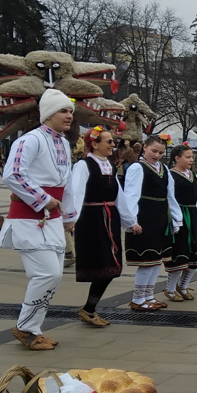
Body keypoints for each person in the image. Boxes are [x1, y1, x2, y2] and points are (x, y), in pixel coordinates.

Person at [0, 90, 76, 350]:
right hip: (28, 218)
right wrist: (43, 199)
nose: (69, 115)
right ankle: (26, 328)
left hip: (51, 219)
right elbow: (13, 174)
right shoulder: (30, 140)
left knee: (51, 276)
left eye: (70, 111)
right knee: (47, 273)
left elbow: (68, 182)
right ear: (49, 114)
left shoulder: (64, 143)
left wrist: (70, 214)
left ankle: (32, 328)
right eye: (64, 111)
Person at [64, 125, 137, 327]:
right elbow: (75, 192)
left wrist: (131, 222)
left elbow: (119, 196)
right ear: (94, 144)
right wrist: (71, 217)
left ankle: (89, 308)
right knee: (104, 264)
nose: (113, 144)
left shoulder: (111, 166)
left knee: (113, 265)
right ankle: (89, 309)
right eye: (109, 141)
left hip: (109, 217)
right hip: (91, 219)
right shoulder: (84, 165)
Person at [123, 134, 182, 311]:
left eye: (161, 152)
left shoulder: (164, 169)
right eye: (153, 151)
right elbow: (130, 195)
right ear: (144, 148)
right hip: (145, 218)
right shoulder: (137, 168)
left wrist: (175, 218)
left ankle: (149, 295)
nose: (156, 155)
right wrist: (131, 220)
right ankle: (138, 298)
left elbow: (170, 196)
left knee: (157, 260)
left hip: (160, 219)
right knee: (147, 260)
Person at [163, 144, 197, 302]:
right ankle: (170, 288)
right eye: (188, 157)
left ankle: (184, 285)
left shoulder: (192, 176)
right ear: (177, 158)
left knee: (196, 253)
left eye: (192, 157)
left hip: (192, 216)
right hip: (179, 216)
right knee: (179, 254)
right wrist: (174, 219)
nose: (191, 160)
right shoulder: (171, 176)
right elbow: (170, 199)